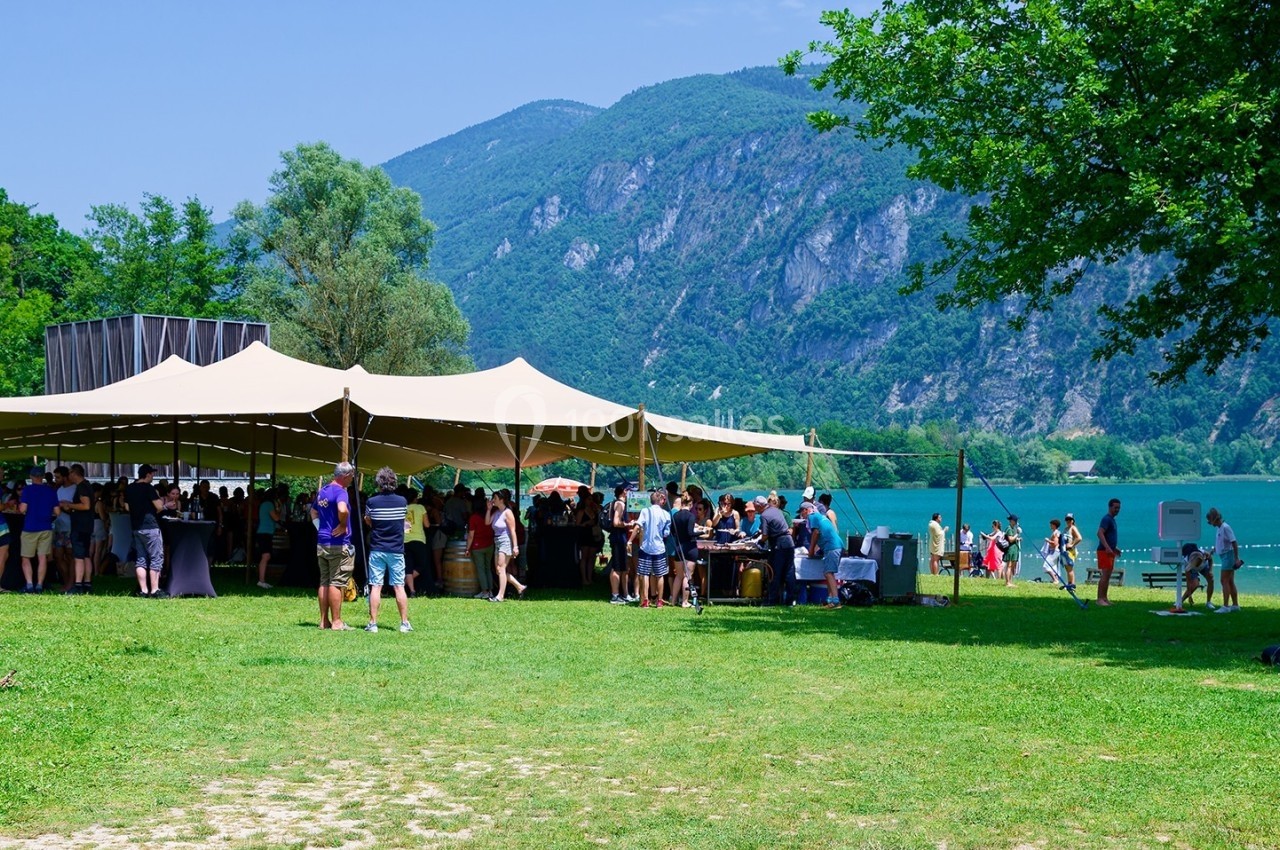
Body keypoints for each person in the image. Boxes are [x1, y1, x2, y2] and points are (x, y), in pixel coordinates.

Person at [362, 467, 412, 633]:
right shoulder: (402, 501)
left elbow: (369, 521)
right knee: (399, 586)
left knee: (375, 586)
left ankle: (373, 623)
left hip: (377, 548)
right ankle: (404, 623)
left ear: (378, 483)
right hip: (396, 549)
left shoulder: (371, 502)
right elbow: (401, 521)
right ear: (394, 482)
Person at [313, 462, 357, 630]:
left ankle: (324, 621)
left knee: (324, 581)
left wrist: (321, 528)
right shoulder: (341, 492)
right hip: (338, 544)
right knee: (336, 582)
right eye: (352, 477)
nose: (352, 480)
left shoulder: (322, 491)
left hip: (322, 542)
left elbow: (313, 511)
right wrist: (343, 525)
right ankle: (337, 622)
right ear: (345, 476)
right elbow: (343, 509)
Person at [124, 465, 166, 598]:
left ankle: (143, 590)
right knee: (155, 558)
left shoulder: (129, 488)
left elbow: (126, 507)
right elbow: (159, 507)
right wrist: (160, 503)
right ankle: (155, 590)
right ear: (147, 475)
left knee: (141, 559)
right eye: (152, 474)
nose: (153, 477)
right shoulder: (149, 488)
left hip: (136, 527)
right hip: (150, 527)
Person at [18, 466, 60, 593]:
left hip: (30, 528)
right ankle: (40, 585)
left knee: (26, 558)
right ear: (42, 477)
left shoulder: (28, 490)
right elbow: (57, 512)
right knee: (42, 558)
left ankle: (30, 585)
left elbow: (22, 509)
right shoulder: (51, 491)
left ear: (31, 477)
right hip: (46, 527)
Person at [628, 490, 671, 608]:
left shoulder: (645, 511)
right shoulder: (666, 514)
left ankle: (645, 600)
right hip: (659, 548)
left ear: (650, 501)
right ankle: (660, 601)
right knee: (660, 574)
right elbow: (666, 533)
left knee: (644, 574)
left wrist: (630, 540)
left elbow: (638, 526)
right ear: (661, 501)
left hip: (646, 547)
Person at [757, 495, 798, 605]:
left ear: (759, 506)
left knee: (774, 572)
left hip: (779, 544)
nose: (756, 510)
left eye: (756, 508)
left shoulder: (764, 515)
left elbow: (765, 535)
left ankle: (772, 600)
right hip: (789, 543)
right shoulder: (776, 510)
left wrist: (759, 542)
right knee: (789, 571)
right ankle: (790, 600)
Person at [803, 501, 844, 609]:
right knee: (828, 573)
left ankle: (836, 601)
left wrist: (811, 550)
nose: (802, 515)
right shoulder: (821, 516)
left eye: (802, 513)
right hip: (836, 545)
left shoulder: (812, 516)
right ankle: (830, 599)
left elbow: (816, 533)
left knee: (828, 573)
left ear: (806, 510)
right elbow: (822, 535)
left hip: (832, 547)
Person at [61, 464, 95, 594]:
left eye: (69, 473)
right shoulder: (87, 485)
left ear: (75, 473)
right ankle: (87, 583)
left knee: (79, 556)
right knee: (85, 555)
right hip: (86, 526)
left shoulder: (82, 487)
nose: (68, 476)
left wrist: (70, 505)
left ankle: (78, 584)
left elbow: (86, 505)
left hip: (80, 526)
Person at [489, 490, 525, 602]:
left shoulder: (508, 512)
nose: (492, 500)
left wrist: (515, 547)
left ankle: (500, 596)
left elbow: (512, 531)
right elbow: (487, 522)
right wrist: (489, 509)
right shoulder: (496, 512)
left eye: (494, 498)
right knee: (499, 570)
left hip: (505, 541)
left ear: (501, 499)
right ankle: (520, 586)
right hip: (497, 541)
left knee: (501, 568)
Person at [1207, 507, 1240, 613]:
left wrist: (1236, 558)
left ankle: (1225, 606)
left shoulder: (1226, 527)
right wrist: (1214, 550)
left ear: (1215, 519)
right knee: (1230, 581)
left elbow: (1234, 542)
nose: (1210, 523)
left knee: (1223, 580)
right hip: (1224, 556)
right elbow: (1221, 543)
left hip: (1228, 556)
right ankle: (1235, 605)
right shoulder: (1219, 529)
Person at [669, 494, 700, 607]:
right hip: (690, 547)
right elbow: (690, 533)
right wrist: (702, 532)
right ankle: (685, 601)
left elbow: (672, 531)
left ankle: (673, 601)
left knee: (678, 575)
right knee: (688, 575)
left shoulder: (675, 515)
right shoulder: (691, 516)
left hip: (678, 547)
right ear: (691, 504)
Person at [465, 495, 496, 599]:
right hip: (490, 545)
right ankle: (491, 591)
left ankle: (484, 591)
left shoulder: (474, 517)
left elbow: (470, 535)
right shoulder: (490, 515)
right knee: (488, 568)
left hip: (478, 546)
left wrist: (467, 548)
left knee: (481, 569)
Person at [403, 489, 431, 597]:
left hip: (406, 540)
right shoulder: (421, 508)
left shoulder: (404, 509)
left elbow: (406, 527)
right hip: (419, 539)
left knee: (408, 566)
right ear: (415, 498)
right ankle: (402, 585)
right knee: (422, 564)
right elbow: (427, 525)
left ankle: (412, 590)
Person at [607, 485, 631, 604]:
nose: (629, 492)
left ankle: (621, 594)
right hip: (618, 537)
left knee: (621, 566)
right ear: (623, 492)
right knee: (616, 567)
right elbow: (616, 522)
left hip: (618, 537)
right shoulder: (620, 504)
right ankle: (615, 595)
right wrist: (627, 524)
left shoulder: (615, 503)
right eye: (628, 490)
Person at [52, 466, 75, 591]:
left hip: (71, 526)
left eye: (58, 477)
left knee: (70, 555)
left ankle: (71, 583)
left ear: (65, 477)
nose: (56, 479)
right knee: (58, 556)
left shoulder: (75, 489)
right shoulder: (58, 490)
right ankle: (66, 582)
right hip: (59, 526)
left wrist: (67, 506)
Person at [574, 485, 602, 587]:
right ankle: (584, 578)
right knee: (585, 557)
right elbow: (577, 524)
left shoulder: (595, 511)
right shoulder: (581, 511)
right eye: (589, 499)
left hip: (593, 535)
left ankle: (589, 578)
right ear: (585, 500)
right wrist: (585, 524)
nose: (591, 501)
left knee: (592, 557)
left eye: (592, 499)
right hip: (585, 535)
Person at [1095, 498, 1121, 606]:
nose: (1117, 510)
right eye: (1115, 508)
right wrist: (1107, 547)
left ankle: (1105, 598)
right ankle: (1100, 599)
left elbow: (1109, 536)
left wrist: (1115, 548)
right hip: (1104, 551)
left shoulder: (1112, 520)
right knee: (1105, 575)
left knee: (1108, 575)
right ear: (1110, 507)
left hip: (1110, 551)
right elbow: (1100, 533)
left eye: (1119, 508)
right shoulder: (1106, 519)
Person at [255, 485, 281, 589]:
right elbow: (276, 518)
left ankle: (262, 580)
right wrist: (278, 509)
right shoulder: (269, 504)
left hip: (264, 532)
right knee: (265, 556)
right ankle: (261, 580)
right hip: (264, 533)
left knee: (266, 556)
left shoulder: (264, 504)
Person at [1179, 543, 1216, 611]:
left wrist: (1210, 570)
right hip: (1192, 569)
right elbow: (1188, 582)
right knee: (1195, 585)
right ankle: (1180, 601)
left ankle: (1208, 602)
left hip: (1203, 566)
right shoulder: (1186, 562)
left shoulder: (1205, 554)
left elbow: (1210, 559)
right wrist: (1190, 596)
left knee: (1211, 579)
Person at [1060, 513, 1082, 587]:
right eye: (1067, 519)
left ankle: (1071, 584)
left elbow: (1079, 538)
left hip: (1070, 551)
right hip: (1065, 550)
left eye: (1070, 519)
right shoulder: (1066, 529)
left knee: (1070, 568)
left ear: (1072, 520)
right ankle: (1070, 583)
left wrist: (1072, 544)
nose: (1068, 521)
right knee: (1067, 568)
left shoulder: (1073, 528)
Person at [1002, 514, 1022, 587]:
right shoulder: (1009, 528)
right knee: (1009, 566)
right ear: (1012, 521)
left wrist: (1018, 538)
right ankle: (1007, 582)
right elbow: (1010, 539)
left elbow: (1013, 538)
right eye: (1015, 520)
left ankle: (1010, 581)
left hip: (1014, 549)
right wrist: (1017, 534)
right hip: (1010, 549)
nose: (1016, 522)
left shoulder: (1013, 528)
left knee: (1012, 566)